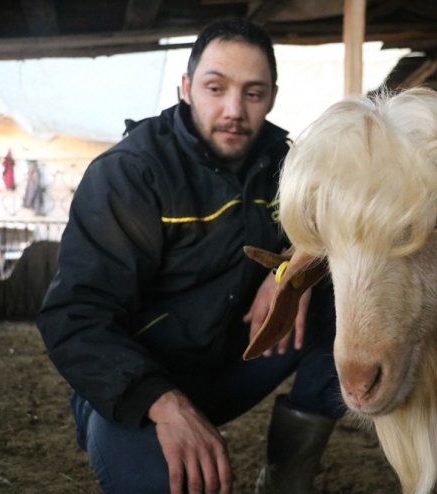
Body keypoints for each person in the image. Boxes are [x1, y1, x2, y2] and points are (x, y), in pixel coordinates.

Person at [36, 17, 344, 494]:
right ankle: (117, 433)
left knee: (343, 301)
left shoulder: (290, 164)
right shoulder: (131, 174)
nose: (234, 110)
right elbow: (75, 317)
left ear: (273, 97)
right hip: (140, 387)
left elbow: (340, 221)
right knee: (172, 484)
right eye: (215, 88)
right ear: (185, 88)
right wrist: (163, 402)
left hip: (230, 364)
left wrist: (293, 265)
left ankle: (287, 479)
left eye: (254, 93)